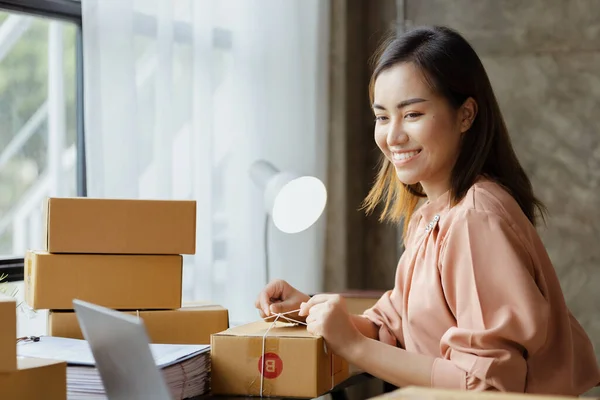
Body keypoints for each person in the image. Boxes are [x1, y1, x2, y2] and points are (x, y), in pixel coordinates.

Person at [254, 25, 600, 395]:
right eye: (383, 117)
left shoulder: (475, 218)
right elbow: (394, 327)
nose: (393, 136)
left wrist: (354, 346)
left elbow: (485, 385)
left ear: (466, 115)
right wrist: (308, 310)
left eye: (412, 114)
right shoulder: (431, 217)